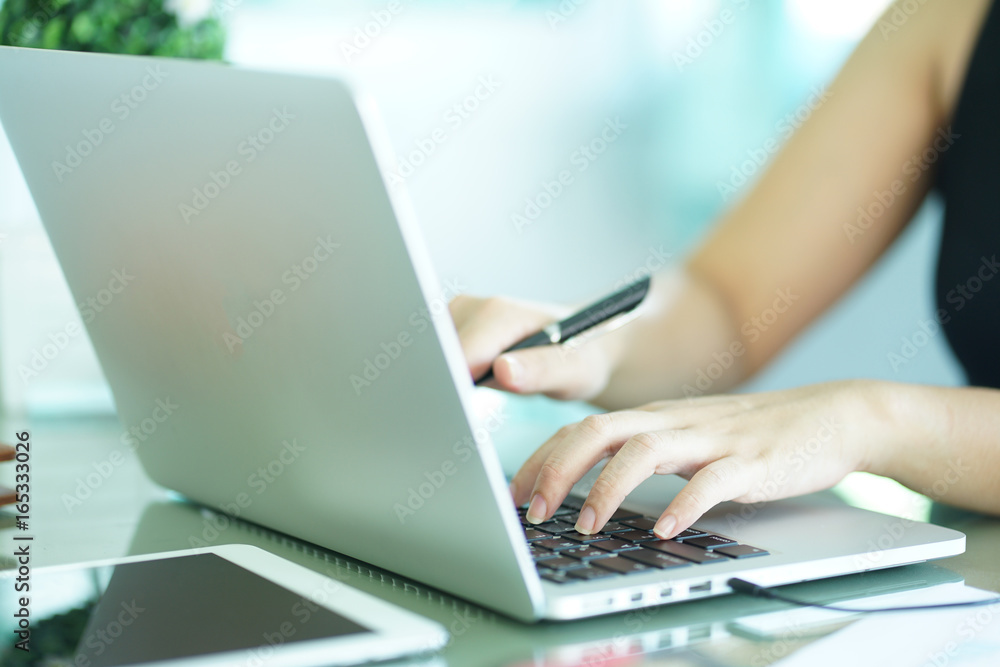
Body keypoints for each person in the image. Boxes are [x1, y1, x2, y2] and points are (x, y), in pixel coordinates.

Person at [449, 0, 1000, 540]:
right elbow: (728, 303)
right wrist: (598, 341)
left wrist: (872, 420)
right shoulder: (950, 16)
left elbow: (865, 417)